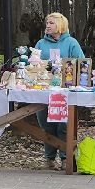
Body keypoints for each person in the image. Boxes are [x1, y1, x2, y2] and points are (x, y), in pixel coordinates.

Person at [33, 13, 86, 165]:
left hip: (65, 91)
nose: (47, 25)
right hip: (43, 89)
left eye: (51, 23)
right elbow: (33, 63)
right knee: (46, 124)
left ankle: (65, 158)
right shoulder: (40, 44)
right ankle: (49, 159)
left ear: (60, 25)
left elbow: (81, 64)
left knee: (63, 125)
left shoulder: (71, 43)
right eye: (47, 23)